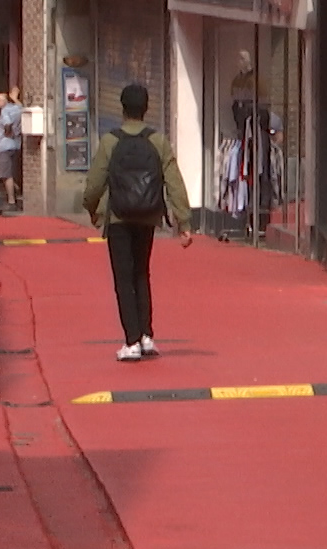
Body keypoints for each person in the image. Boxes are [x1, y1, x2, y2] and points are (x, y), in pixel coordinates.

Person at [81, 84, 192, 362]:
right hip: (148, 216)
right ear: (146, 108)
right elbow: (174, 182)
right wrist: (184, 221)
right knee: (142, 273)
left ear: (121, 107)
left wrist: (91, 208)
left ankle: (130, 340)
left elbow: (95, 182)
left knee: (123, 277)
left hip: (118, 217)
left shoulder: (110, 141)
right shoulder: (158, 141)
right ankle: (146, 335)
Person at [0, 88, 23, 214]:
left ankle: (11, 201)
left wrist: (8, 133)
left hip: (5, 146)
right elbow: (21, 107)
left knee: (6, 174)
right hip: (16, 145)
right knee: (9, 171)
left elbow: (7, 124)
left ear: (4, 102)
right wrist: (16, 98)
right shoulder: (16, 108)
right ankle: (15, 189)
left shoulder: (5, 111)